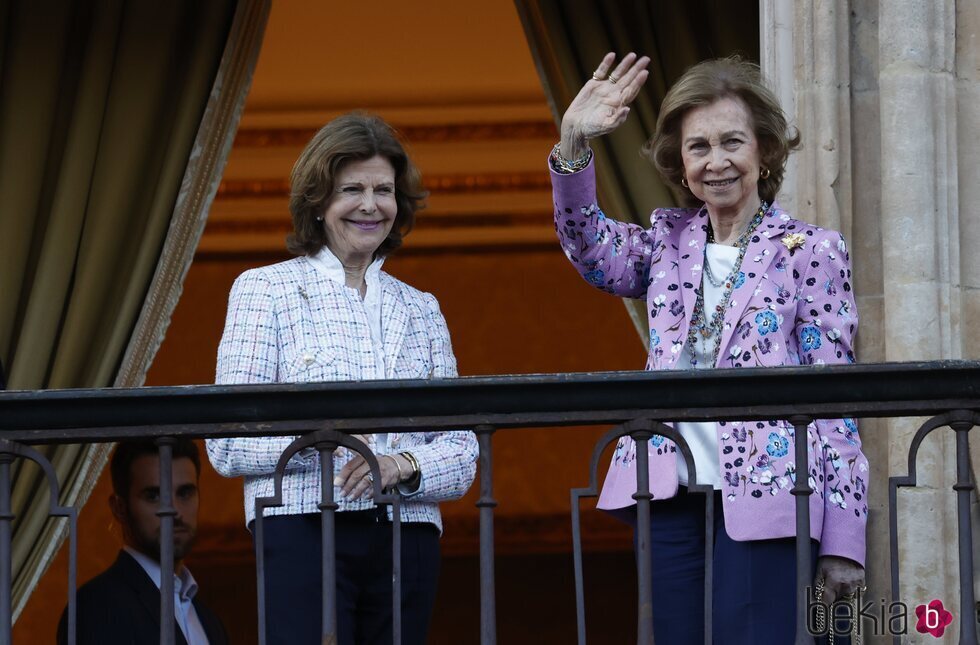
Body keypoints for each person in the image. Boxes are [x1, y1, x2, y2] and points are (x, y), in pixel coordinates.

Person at [550, 54, 868, 643]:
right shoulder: (666, 240)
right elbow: (589, 248)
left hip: (773, 495)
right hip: (670, 496)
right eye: (698, 147)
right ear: (681, 161)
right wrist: (572, 142)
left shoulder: (812, 250)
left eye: (732, 142)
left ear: (765, 151)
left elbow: (835, 400)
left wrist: (845, 537)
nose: (715, 162)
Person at [207, 112, 478, 645]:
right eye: (351, 188)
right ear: (318, 200)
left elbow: (464, 451)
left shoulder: (421, 308)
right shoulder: (266, 291)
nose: (370, 204)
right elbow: (226, 440)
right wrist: (326, 443)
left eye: (384, 189)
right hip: (305, 528)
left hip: (409, 534)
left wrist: (400, 463)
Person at [57, 439, 227, 645]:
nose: (173, 510)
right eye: (153, 495)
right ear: (120, 508)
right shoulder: (96, 605)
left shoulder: (208, 621)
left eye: (185, 493)